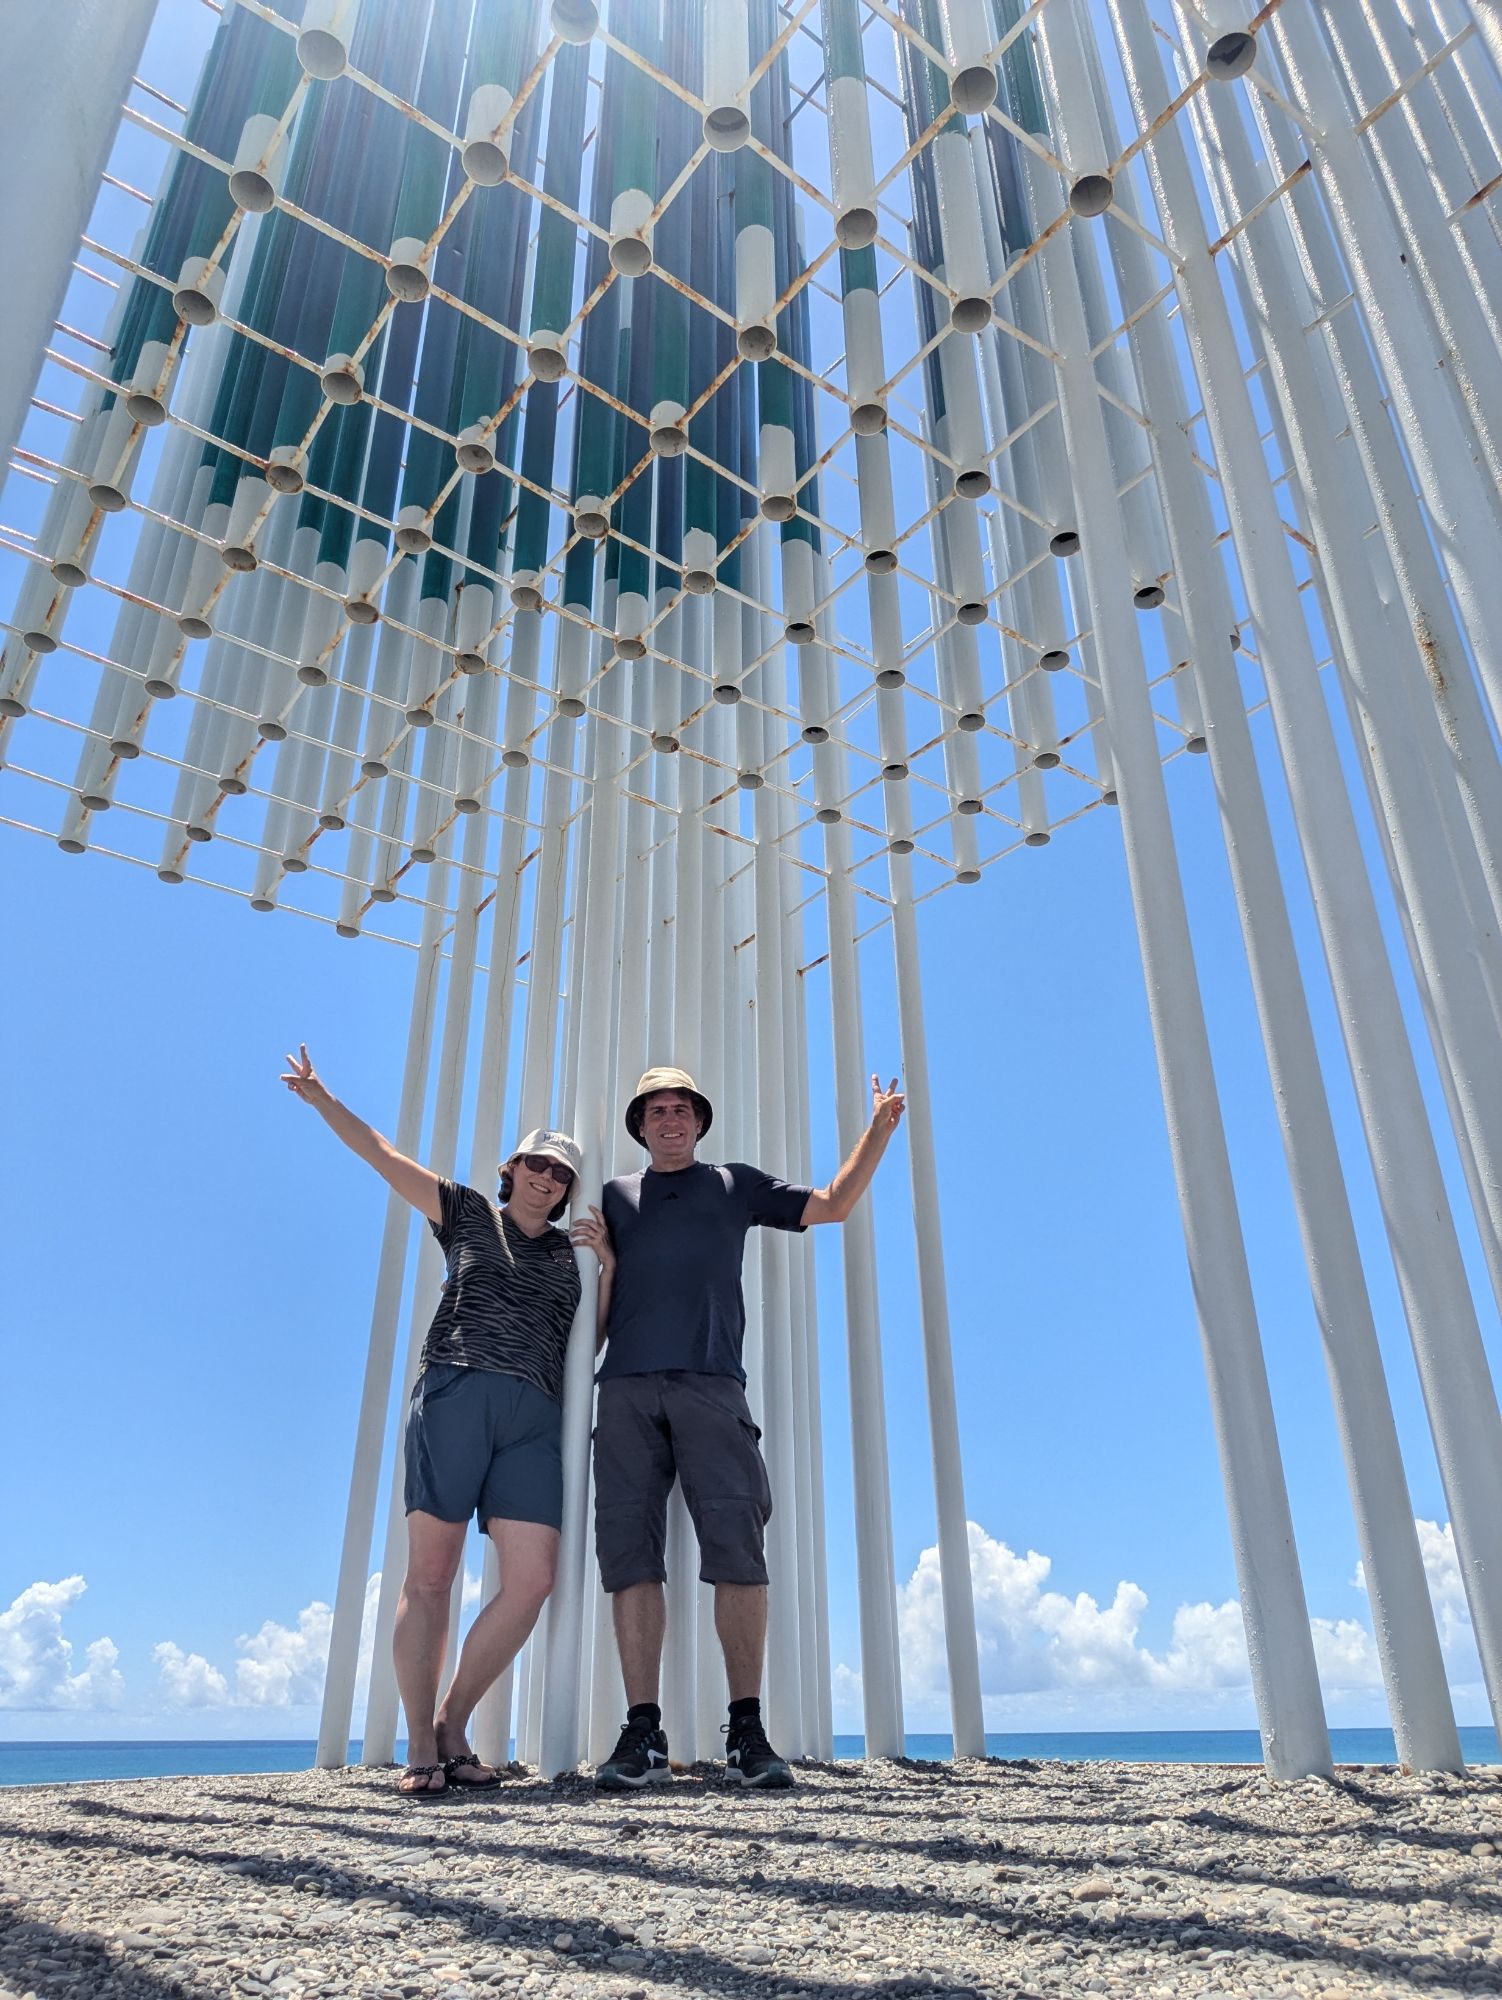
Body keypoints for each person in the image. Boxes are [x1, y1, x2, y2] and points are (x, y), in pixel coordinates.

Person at [280, 1046, 606, 1799]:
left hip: (535, 1415)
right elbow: (383, 1155)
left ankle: (455, 1723)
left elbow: (594, 1335)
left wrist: (610, 1267)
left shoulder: (568, 1256)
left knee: (532, 1580)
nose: (546, 1177)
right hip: (457, 1389)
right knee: (430, 1575)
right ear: (512, 1165)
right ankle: (420, 1741)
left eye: (559, 1173)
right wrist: (324, 1099)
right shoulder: (464, 1211)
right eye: (536, 1163)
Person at [571, 1063, 905, 1791]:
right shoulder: (613, 1198)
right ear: (640, 1124)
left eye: (682, 1108)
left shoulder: (734, 1184)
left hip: (713, 1385)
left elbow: (832, 1205)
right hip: (624, 1388)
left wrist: (878, 1130)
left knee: (737, 1549)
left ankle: (747, 1728)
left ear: (699, 1120)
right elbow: (580, 1303)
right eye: (657, 1110)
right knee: (630, 1555)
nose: (670, 1120)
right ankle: (643, 1731)